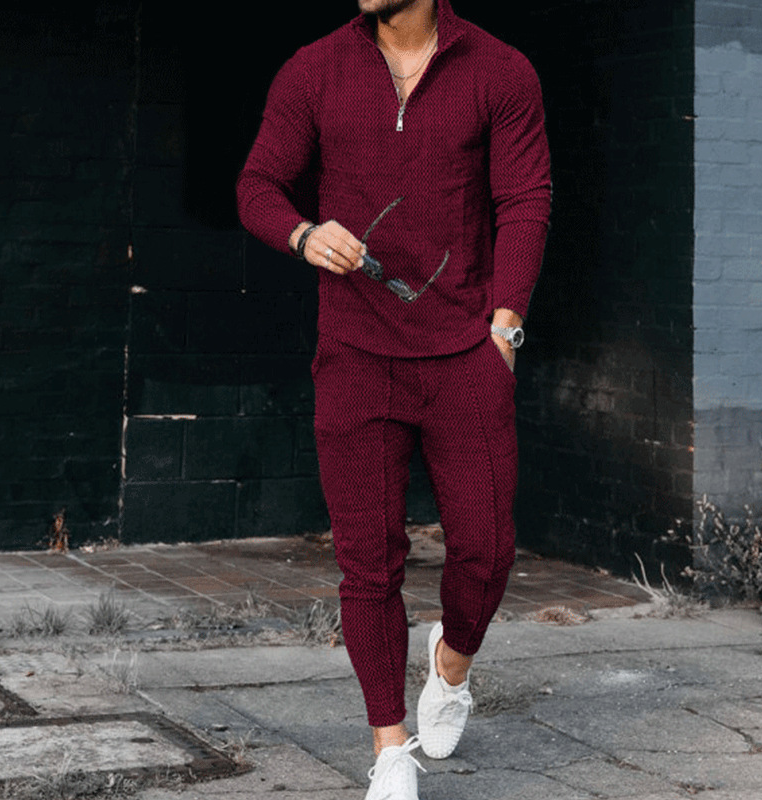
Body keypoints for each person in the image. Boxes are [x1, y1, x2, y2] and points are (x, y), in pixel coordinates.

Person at [237, 0, 551, 797]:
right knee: (368, 562)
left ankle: (451, 667)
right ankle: (389, 748)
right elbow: (258, 184)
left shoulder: (502, 71)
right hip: (355, 354)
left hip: (465, 352)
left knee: (487, 550)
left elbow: (525, 200)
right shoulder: (314, 69)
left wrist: (505, 331)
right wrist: (303, 234)